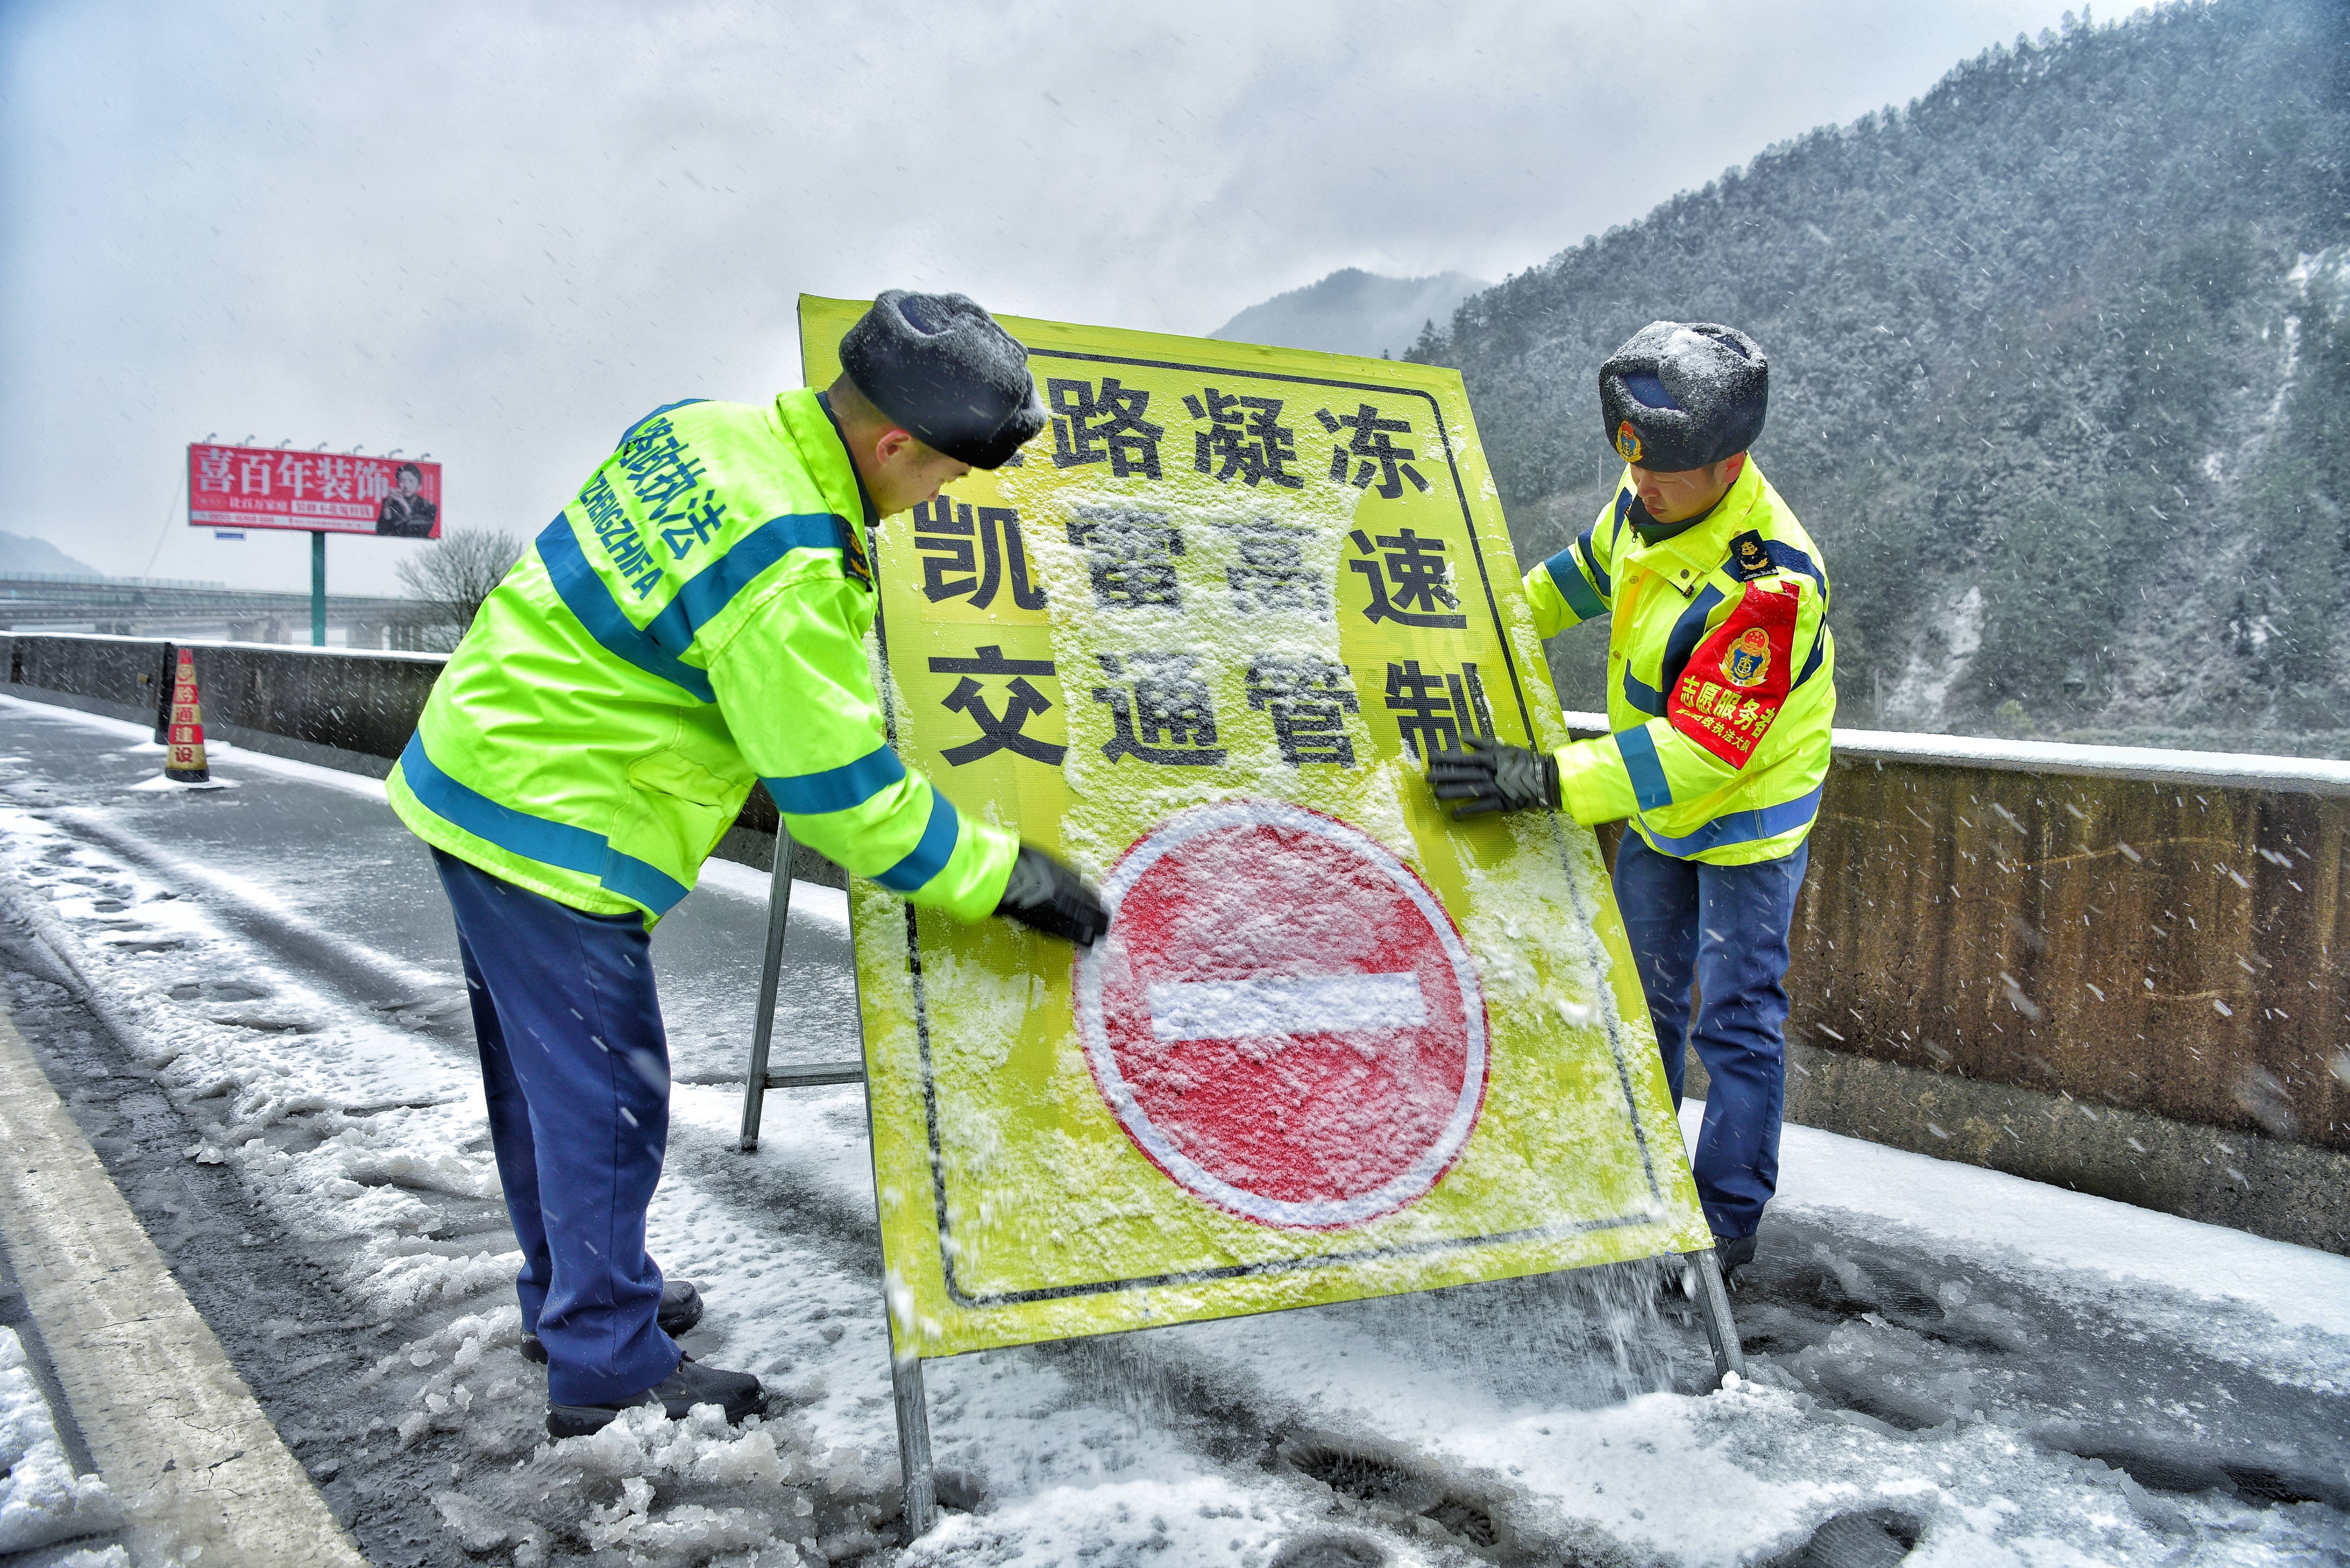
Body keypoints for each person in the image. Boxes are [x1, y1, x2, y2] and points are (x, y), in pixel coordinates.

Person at [386, 291, 1111, 1437]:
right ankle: (605, 1364)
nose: (938, 502)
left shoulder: (704, 430)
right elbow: (840, 798)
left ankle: (577, 1297)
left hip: (479, 761)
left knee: (543, 1085)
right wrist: (1006, 876)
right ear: (890, 445)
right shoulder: (787, 560)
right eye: (943, 479)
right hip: (557, 817)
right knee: (607, 1101)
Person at [1428, 320, 1833, 1280]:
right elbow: (1575, 578)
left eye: (1663, 471)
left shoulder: (1769, 585)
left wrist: (1547, 780)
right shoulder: (1647, 491)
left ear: (1728, 461)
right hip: (1656, 811)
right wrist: (1460, 631)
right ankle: (1629, 1186)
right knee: (1641, 1000)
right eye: (1631, 461)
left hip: (1745, 824)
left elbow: (1703, 751)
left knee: (1736, 1023)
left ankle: (1721, 1227)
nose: (1640, 484)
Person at [376, 461, 438, 537]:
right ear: (398, 483)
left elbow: (421, 532)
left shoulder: (429, 507)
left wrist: (406, 508)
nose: (406, 486)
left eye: (411, 481)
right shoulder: (392, 503)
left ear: (419, 486)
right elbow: (381, 531)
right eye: (402, 481)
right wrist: (387, 509)